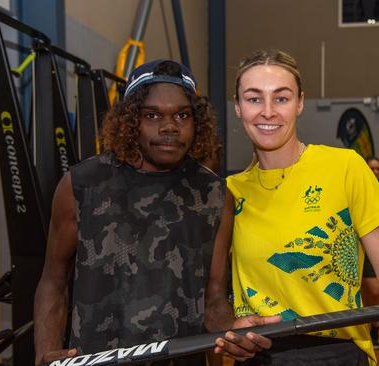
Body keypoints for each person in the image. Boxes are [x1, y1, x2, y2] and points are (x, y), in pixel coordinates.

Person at [33, 59, 273, 366]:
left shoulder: (213, 195)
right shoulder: (82, 185)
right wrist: (45, 351)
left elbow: (213, 297)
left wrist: (231, 330)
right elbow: (53, 280)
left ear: (196, 122)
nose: (169, 127)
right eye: (152, 115)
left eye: (182, 115)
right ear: (131, 121)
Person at [207, 49, 379, 366]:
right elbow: (215, 293)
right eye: (254, 98)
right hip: (262, 357)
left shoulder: (345, 167)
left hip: (338, 353)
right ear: (238, 107)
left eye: (282, 98)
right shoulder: (229, 193)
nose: (268, 111)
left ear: (300, 103)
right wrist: (231, 329)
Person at [362, 157, 379, 350]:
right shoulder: (354, 188)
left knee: (375, 290)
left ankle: (376, 326)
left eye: (378, 169)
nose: (375, 171)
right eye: (372, 168)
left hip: (372, 249)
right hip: (352, 248)